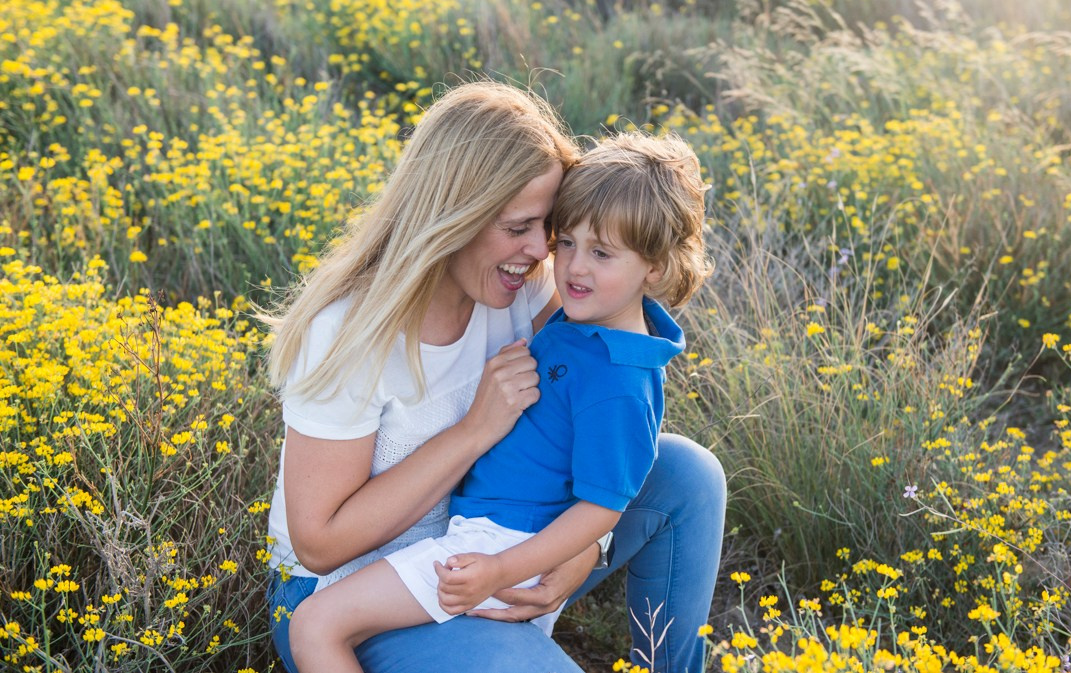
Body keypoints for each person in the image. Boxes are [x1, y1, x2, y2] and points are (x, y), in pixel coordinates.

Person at [263, 81, 727, 673]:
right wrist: (473, 431)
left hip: (497, 543)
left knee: (688, 473)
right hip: (353, 592)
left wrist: (587, 545)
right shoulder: (349, 334)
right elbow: (319, 545)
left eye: (547, 228)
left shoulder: (522, 289)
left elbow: (609, 420)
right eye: (518, 227)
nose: (541, 251)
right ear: (452, 216)